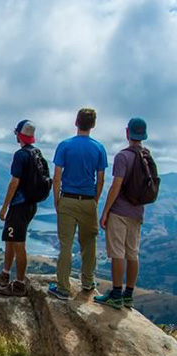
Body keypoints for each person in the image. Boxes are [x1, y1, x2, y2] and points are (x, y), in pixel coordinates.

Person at [48, 108, 108, 300]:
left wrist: (57, 200)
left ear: (76, 122)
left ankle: (63, 289)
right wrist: (95, 200)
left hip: (67, 199)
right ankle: (88, 282)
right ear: (93, 125)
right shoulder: (99, 148)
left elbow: (56, 177)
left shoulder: (64, 145)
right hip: (89, 201)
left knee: (65, 244)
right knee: (89, 244)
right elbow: (101, 180)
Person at [95, 118, 154, 309]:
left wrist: (105, 212)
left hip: (120, 211)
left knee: (117, 253)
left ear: (127, 133)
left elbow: (116, 185)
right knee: (132, 253)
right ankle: (129, 295)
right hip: (138, 212)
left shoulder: (122, 157)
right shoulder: (147, 156)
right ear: (143, 135)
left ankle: (117, 293)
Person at [0, 120, 39, 297]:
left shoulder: (21, 155)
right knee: (10, 239)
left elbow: (14, 183)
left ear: (18, 134)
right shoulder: (37, 153)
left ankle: (19, 284)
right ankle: (5, 274)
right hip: (30, 205)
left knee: (19, 244)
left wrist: (4, 207)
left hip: (19, 205)